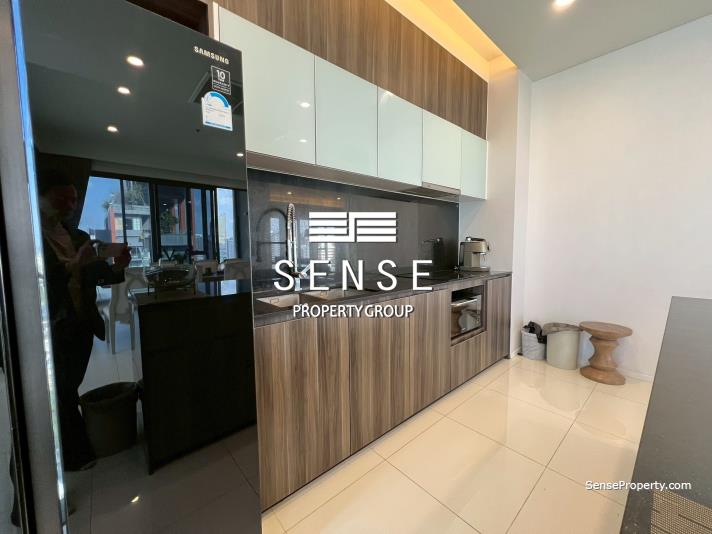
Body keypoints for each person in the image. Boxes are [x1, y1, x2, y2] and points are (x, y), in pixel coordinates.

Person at [39, 171, 130, 471]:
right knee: (60, 392)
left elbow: (95, 275)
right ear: (42, 197)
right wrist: (74, 265)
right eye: (61, 199)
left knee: (67, 388)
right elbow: (38, 280)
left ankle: (69, 454)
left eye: (74, 199)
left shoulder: (76, 236)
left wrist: (117, 268)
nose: (70, 205)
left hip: (81, 324)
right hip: (51, 326)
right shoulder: (29, 235)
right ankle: (75, 454)